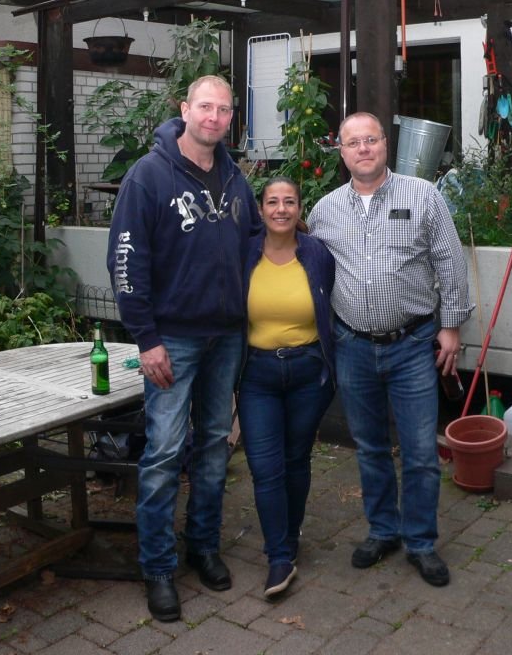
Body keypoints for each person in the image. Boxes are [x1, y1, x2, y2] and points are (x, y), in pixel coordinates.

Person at [107, 75, 261, 623]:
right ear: (185, 109)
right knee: (165, 453)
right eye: (205, 107)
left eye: (224, 110)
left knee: (215, 447)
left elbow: (255, 245)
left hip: (227, 338)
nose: (214, 118)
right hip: (171, 339)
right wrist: (145, 338)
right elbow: (126, 260)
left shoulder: (236, 179)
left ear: (231, 117)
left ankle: (203, 546)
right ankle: (157, 567)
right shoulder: (148, 176)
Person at [309, 111, 472, 587]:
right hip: (352, 346)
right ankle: (383, 530)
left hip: (412, 345)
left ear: (386, 144)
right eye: (353, 142)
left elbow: (450, 261)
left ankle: (420, 542)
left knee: (420, 451)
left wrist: (451, 327)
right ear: (341, 152)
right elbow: (308, 268)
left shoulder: (423, 196)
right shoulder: (324, 211)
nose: (363, 149)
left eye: (371, 140)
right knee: (370, 447)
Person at [238, 176, 336, 600]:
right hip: (257, 375)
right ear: (261, 210)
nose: (281, 209)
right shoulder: (244, 253)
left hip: (307, 372)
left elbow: (330, 300)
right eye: (273, 202)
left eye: (289, 202)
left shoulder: (316, 254)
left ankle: (290, 539)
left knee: (296, 459)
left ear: (299, 209)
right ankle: (278, 556)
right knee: (264, 467)